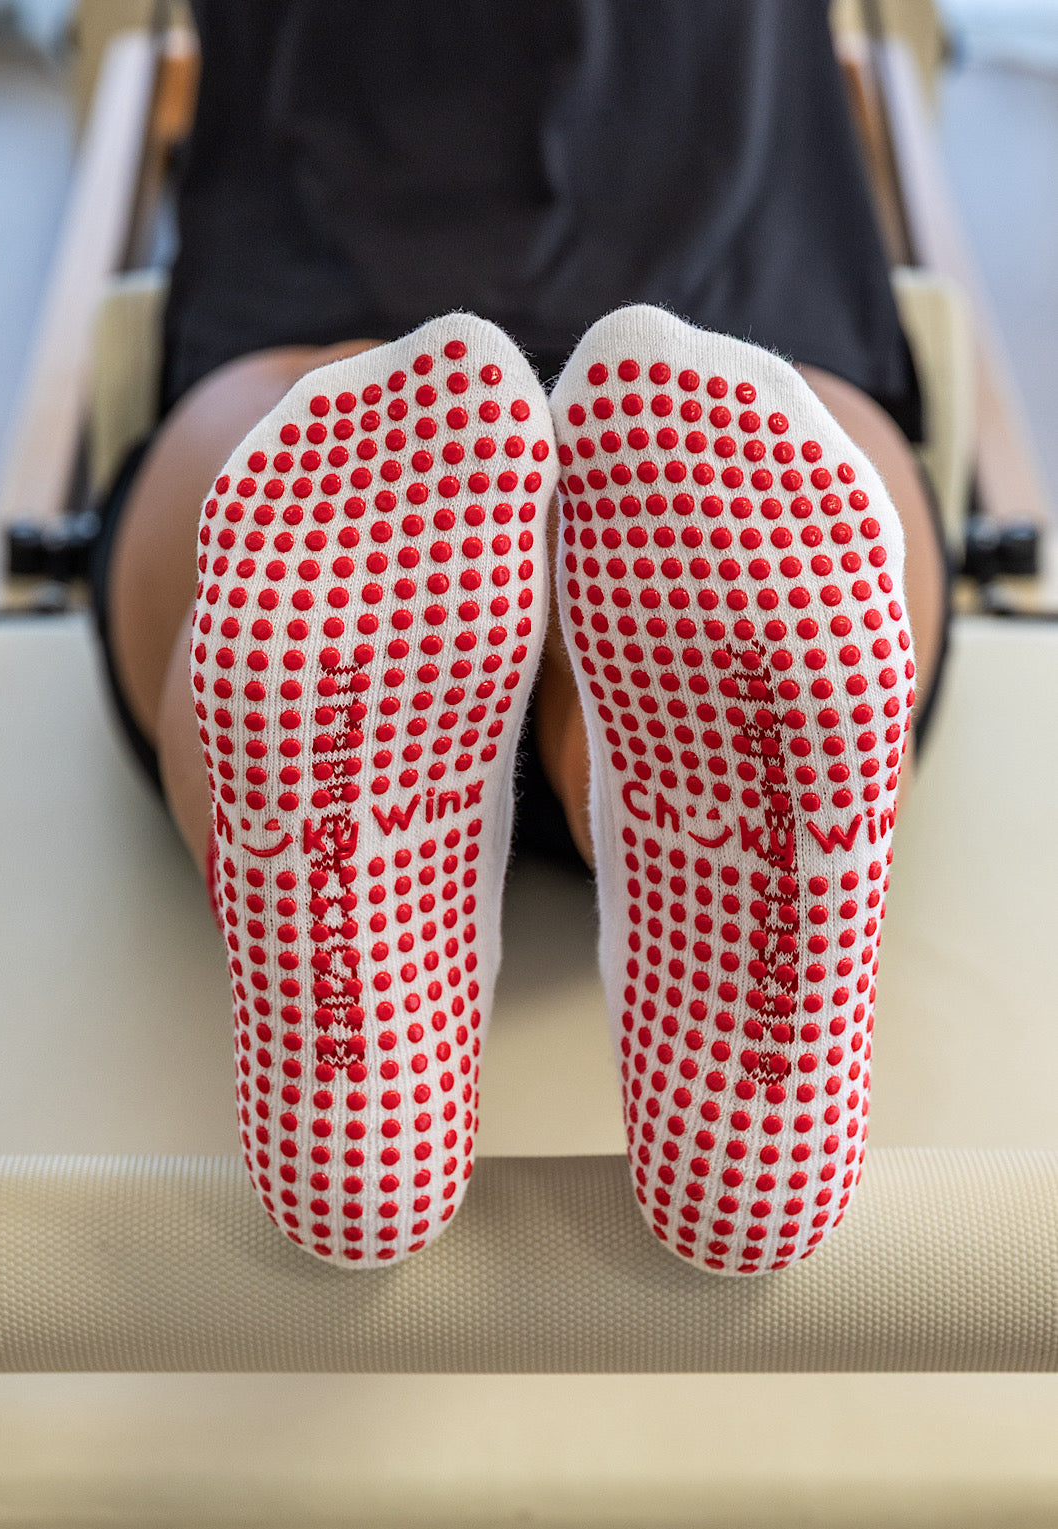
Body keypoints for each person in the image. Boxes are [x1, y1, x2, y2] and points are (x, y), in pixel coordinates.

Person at [89, 0, 948, 1272]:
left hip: (335, 340)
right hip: (731, 312)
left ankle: (349, 1037)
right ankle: (645, 816)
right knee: (804, 442)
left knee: (265, 431)